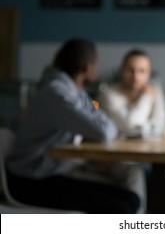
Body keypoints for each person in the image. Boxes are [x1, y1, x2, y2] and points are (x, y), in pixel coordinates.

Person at [6, 38, 140, 213]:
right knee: (122, 208)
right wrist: (99, 121)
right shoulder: (57, 93)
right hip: (29, 182)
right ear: (88, 68)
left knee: (131, 200)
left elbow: (102, 122)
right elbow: (105, 130)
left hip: (48, 176)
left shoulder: (73, 91)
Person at [98, 50, 165, 138]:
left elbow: (160, 124)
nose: (136, 76)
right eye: (131, 70)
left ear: (149, 74)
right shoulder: (108, 94)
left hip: (150, 148)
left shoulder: (155, 91)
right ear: (121, 70)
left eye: (142, 71)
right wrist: (146, 97)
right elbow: (132, 125)